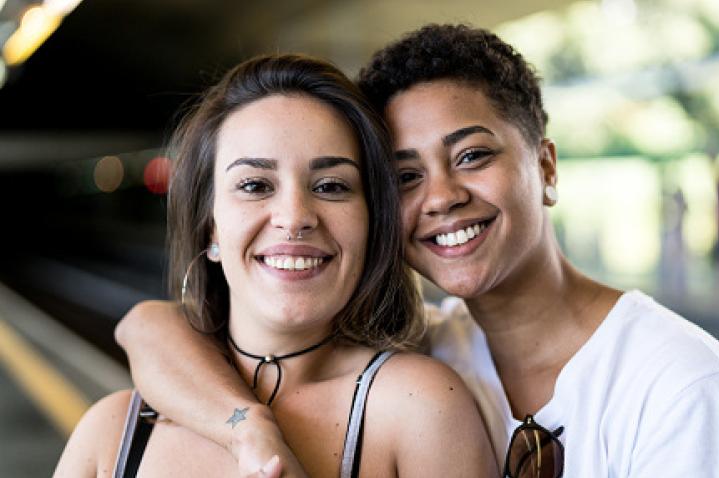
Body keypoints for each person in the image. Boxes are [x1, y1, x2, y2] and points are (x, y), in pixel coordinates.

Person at [113, 25, 719, 477]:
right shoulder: (442, 342)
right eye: (407, 176)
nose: (441, 197)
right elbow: (151, 327)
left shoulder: (676, 385)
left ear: (548, 167)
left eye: (472, 155)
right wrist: (248, 428)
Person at [53, 54, 497, 478]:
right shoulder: (110, 433)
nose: (295, 216)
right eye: (254, 184)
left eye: (330, 185)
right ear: (210, 226)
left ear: (372, 220)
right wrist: (249, 430)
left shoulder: (422, 408)